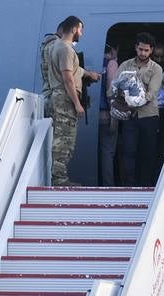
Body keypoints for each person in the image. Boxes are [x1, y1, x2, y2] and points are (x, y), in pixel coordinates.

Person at [39, 16, 100, 187]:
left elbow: (72, 71)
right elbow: (67, 78)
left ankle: (59, 178)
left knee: (61, 138)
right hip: (64, 99)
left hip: (58, 96)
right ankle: (59, 181)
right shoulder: (65, 48)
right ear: (74, 29)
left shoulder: (54, 47)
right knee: (64, 141)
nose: (81, 33)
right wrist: (77, 104)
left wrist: (88, 74)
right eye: (80, 29)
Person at [115, 33, 163, 187]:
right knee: (128, 152)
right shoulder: (125, 65)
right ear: (136, 47)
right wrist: (122, 95)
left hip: (148, 116)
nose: (143, 53)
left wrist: (133, 99)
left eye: (146, 50)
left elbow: (151, 93)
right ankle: (130, 186)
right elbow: (115, 87)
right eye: (140, 49)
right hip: (130, 117)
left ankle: (146, 187)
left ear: (151, 51)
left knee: (147, 154)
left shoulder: (156, 69)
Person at [98, 44, 120, 186]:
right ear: (113, 51)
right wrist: (115, 115)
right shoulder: (112, 64)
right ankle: (108, 186)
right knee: (107, 151)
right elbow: (111, 89)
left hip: (94, 114)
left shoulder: (96, 64)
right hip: (107, 114)